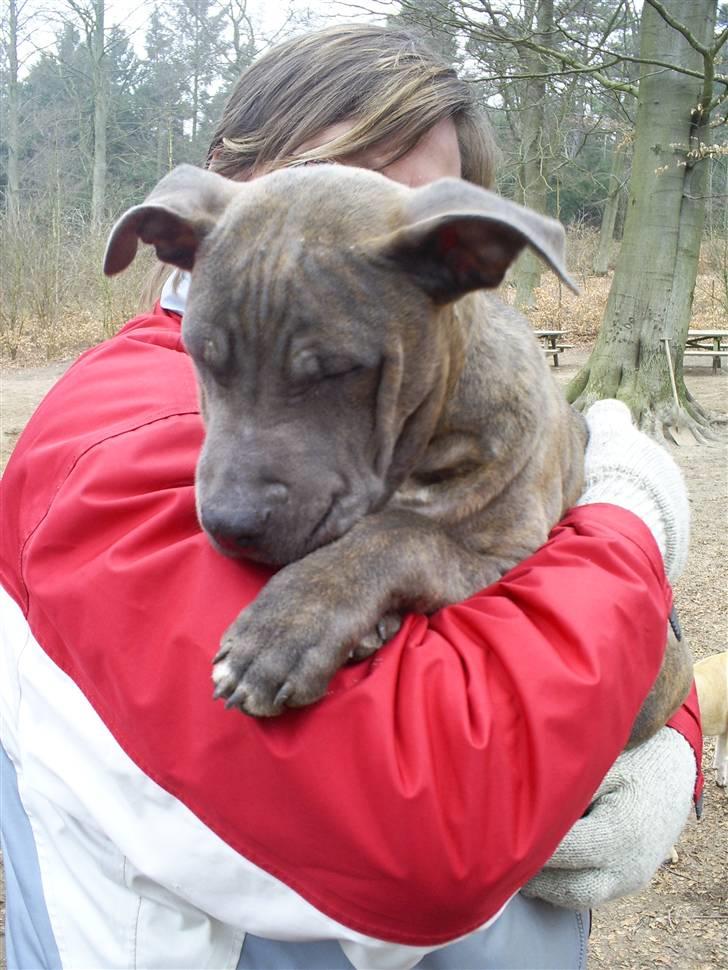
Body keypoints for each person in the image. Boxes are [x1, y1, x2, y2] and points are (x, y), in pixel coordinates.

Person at [0, 23, 703, 970]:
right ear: (227, 179)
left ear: (459, 255)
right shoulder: (111, 444)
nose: (237, 491)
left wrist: (670, 728)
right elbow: (433, 824)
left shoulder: (458, 386)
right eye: (329, 176)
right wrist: (626, 521)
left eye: (395, 209)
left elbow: (516, 559)